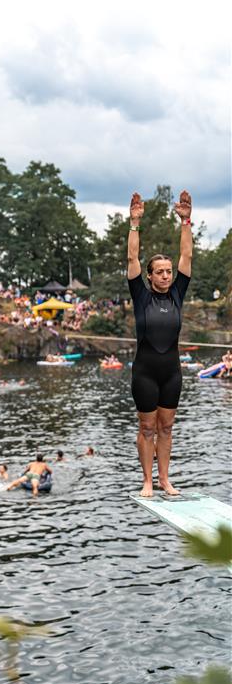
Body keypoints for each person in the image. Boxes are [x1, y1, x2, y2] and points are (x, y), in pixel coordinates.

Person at [127, 190, 193, 497]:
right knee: (147, 428)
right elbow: (132, 257)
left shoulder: (178, 293)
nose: (166, 275)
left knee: (166, 428)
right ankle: (148, 481)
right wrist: (135, 223)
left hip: (171, 372)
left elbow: (187, 257)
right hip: (145, 372)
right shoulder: (141, 296)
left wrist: (185, 222)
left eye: (169, 272)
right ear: (150, 276)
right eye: (160, 272)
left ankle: (165, 479)